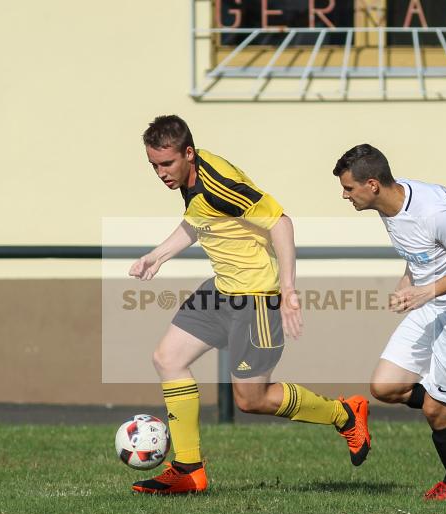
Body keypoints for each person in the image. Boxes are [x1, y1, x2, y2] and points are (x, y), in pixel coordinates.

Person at [128, 115, 370, 494]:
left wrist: (288, 290)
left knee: (251, 400)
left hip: (256, 296)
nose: (161, 173)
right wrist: (158, 255)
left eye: (167, 164)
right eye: (154, 165)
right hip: (222, 289)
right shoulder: (192, 175)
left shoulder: (220, 183)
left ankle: (345, 413)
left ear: (188, 154)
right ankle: (189, 470)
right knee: (168, 358)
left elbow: (280, 222)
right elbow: (199, 219)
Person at [332, 144, 446, 500]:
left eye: (349, 188)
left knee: (436, 410)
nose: (344, 195)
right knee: (386, 386)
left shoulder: (433, 210)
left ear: (372, 184)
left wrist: (427, 291)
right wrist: (408, 284)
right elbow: (423, 254)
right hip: (435, 303)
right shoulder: (390, 204)